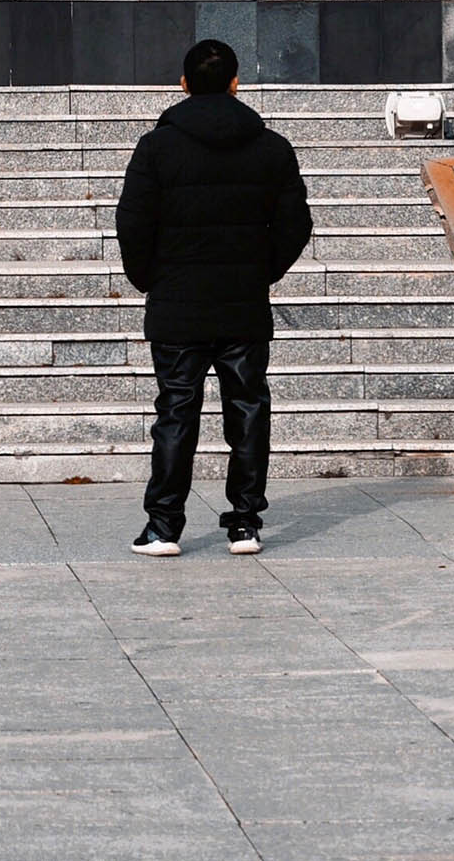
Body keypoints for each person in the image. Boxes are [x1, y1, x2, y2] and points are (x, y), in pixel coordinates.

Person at [114, 38, 313, 558]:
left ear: (183, 84)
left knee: (176, 412)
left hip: (177, 302)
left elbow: (132, 222)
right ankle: (245, 523)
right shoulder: (271, 147)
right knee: (247, 409)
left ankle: (163, 527)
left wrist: (149, 279)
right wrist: (262, 272)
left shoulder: (156, 148)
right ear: (235, 83)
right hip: (242, 302)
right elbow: (295, 224)